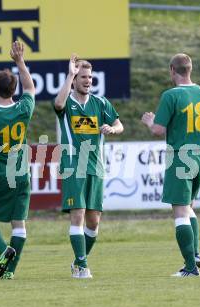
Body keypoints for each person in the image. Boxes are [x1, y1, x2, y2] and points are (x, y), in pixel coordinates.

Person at [141, 53, 200, 277]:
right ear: (190, 69)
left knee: (180, 210)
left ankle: (190, 267)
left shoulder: (171, 95)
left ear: (172, 70)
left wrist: (150, 121)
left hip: (180, 155)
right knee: (189, 206)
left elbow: (158, 130)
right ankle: (195, 254)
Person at [53, 54, 124, 279]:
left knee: (93, 222)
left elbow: (119, 124)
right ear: (74, 80)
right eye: (82, 77)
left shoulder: (101, 103)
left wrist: (113, 130)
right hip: (74, 165)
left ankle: (77, 261)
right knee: (78, 215)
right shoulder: (68, 103)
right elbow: (58, 103)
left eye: (90, 77)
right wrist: (70, 75)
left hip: (96, 166)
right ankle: (82, 267)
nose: (87, 80)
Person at [0, 41, 36, 280]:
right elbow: (30, 88)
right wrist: (20, 62)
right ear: (13, 89)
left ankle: (3, 250)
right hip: (21, 174)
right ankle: (9, 271)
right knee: (18, 224)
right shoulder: (24, 108)